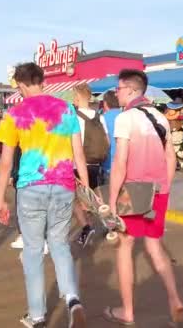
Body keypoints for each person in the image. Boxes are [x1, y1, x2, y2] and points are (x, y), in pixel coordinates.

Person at [0, 62, 88, 328]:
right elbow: (78, 155)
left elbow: (5, 162)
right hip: (63, 185)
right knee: (59, 245)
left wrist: (0, 198)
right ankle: (73, 300)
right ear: (42, 80)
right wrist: (86, 191)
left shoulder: (15, 114)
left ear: (22, 84)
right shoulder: (66, 109)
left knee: (33, 250)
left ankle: (36, 314)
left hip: (31, 187)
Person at [104, 69, 183, 326]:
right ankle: (175, 300)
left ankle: (128, 311)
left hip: (133, 191)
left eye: (118, 88)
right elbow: (171, 158)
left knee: (124, 246)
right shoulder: (160, 118)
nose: (116, 93)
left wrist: (111, 200)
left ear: (130, 90)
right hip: (158, 191)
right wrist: (165, 187)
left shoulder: (126, 118)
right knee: (154, 246)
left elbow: (120, 161)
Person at [72, 83, 109, 246]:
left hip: (79, 164)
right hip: (96, 163)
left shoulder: (74, 117)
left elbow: (73, 143)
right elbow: (107, 141)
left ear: (78, 97)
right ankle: (109, 223)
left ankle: (87, 227)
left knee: (74, 199)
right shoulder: (99, 116)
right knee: (95, 197)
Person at [101, 90, 122, 183]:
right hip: (126, 164)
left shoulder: (102, 119)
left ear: (105, 103)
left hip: (109, 164)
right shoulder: (126, 116)